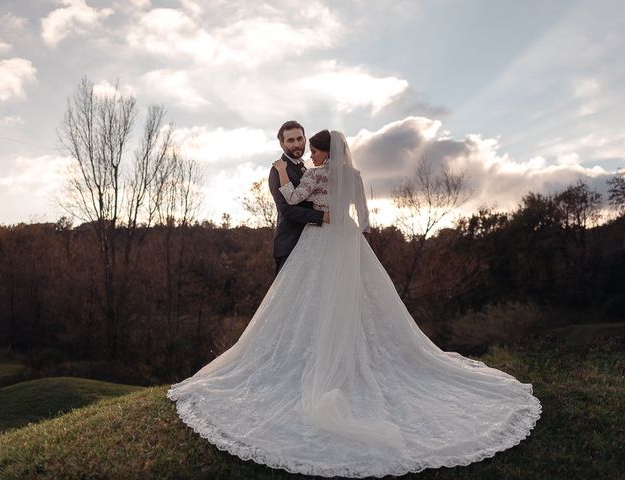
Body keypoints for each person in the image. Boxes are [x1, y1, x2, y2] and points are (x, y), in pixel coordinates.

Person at [167, 130, 541, 478]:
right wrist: (349, 234)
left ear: (324, 151)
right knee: (356, 302)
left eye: (313, 148)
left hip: (317, 243)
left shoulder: (314, 175)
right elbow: (363, 219)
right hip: (349, 242)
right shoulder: (357, 177)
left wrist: (284, 175)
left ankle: (314, 355)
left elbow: (292, 200)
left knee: (310, 300)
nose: (310, 154)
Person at [268, 120, 329, 276]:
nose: (297, 144)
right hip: (290, 245)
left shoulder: (307, 169)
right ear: (281, 144)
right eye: (290, 140)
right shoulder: (277, 170)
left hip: (312, 243)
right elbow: (286, 209)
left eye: (300, 139)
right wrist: (322, 216)